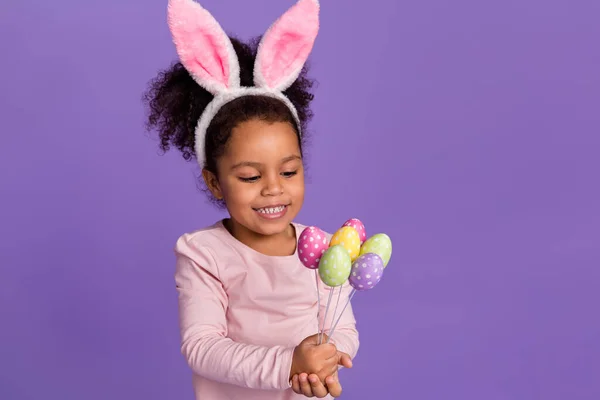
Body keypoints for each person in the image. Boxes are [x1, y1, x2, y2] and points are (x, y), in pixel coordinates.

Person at [143, 0, 359, 398]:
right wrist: (288, 365)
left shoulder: (326, 248)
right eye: (250, 176)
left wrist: (331, 356)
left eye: (289, 171)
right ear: (214, 182)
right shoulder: (204, 254)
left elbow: (342, 325)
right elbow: (203, 348)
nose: (273, 188)